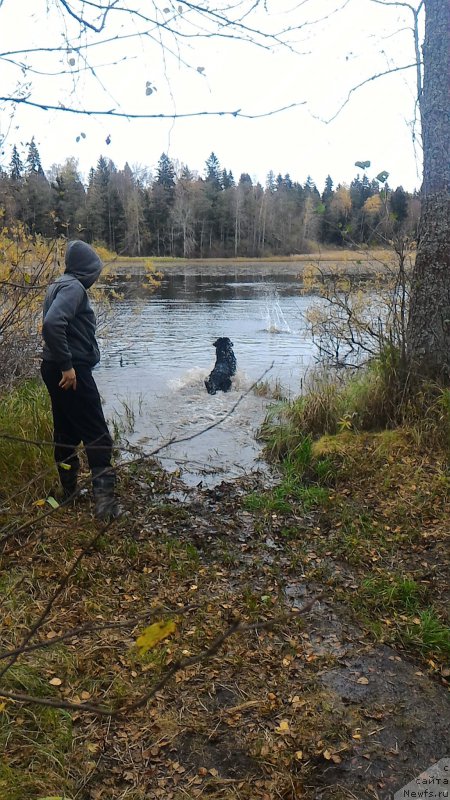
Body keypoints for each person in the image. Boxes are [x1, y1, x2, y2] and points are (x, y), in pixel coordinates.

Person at [41, 240, 121, 521]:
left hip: (52, 368)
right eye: (95, 271)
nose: (96, 277)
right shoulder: (74, 287)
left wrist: (61, 365)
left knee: (66, 432)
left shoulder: (58, 285)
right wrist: (68, 366)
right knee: (98, 433)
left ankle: (69, 493)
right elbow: (52, 325)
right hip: (70, 372)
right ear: (86, 270)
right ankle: (105, 506)